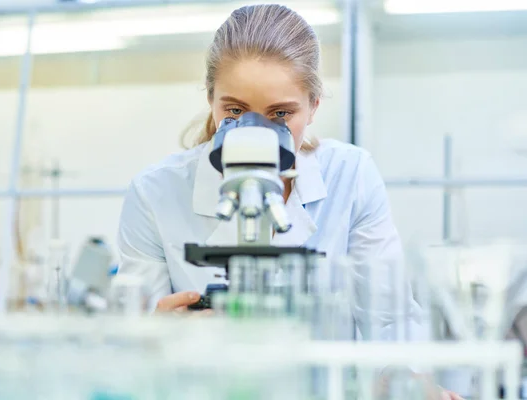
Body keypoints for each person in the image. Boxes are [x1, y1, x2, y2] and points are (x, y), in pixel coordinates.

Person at [117, 5, 461, 398]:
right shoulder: (155, 192)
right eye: (234, 111)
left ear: (314, 105)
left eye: (280, 114)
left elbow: (389, 318)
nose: (256, 132)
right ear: (210, 99)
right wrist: (152, 335)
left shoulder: (350, 174)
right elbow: (133, 342)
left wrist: (405, 379)